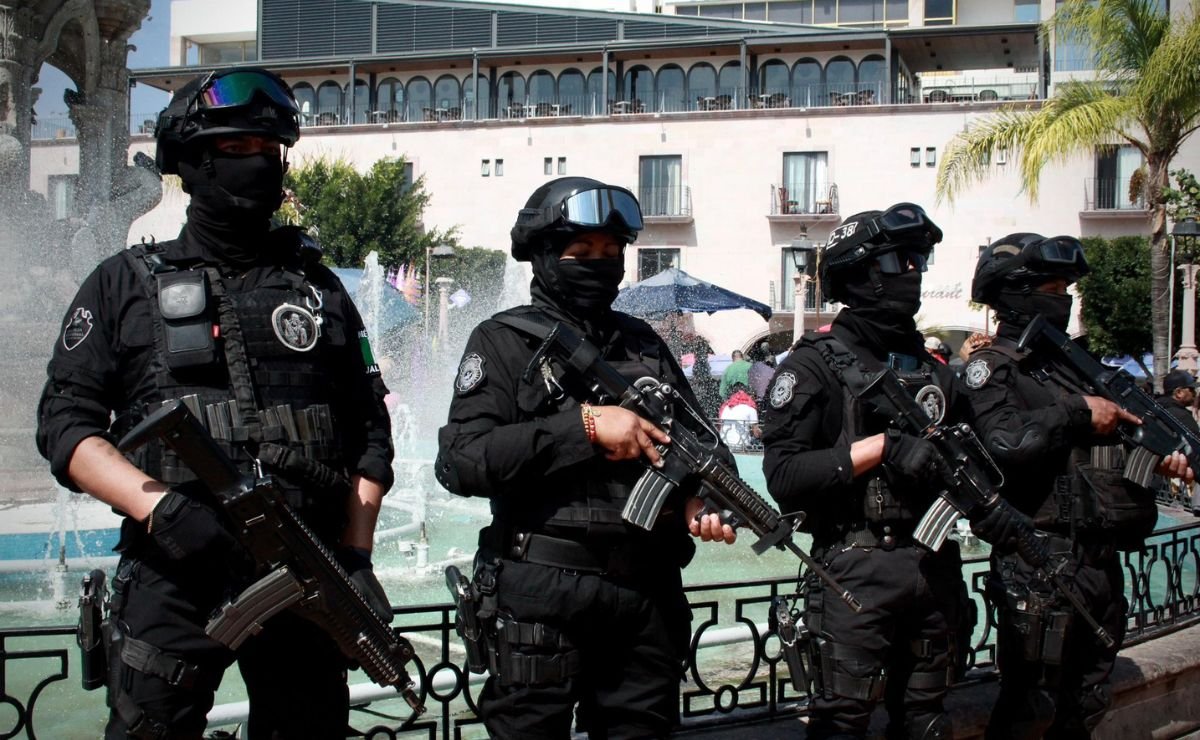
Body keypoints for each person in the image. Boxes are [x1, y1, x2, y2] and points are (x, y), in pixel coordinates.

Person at [36, 68, 395, 739]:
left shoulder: (319, 291)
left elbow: (370, 435)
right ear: (192, 163)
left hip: (304, 565)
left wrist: (354, 555)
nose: (255, 163)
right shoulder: (123, 284)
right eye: (235, 148)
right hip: (174, 569)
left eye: (267, 149)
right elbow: (65, 427)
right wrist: (159, 507)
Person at [436, 176, 736, 739]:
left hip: (645, 595)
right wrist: (586, 427)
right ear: (545, 255)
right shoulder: (503, 341)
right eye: (582, 250)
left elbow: (707, 448)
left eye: (611, 250)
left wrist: (703, 498)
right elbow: (461, 460)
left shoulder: (643, 344)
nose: (600, 263)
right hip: (542, 593)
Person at [963, 232, 1192, 739]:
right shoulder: (993, 368)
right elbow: (1004, 441)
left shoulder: (1075, 369)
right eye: (1051, 288)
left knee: (1087, 699)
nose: (1062, 300)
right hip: (1039, 559)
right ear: (1015, 292)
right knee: (1030, 707)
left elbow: (1094, 457)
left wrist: (1158, 458)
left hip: (1098, 559)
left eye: (1066, 289)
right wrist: (1075, 411)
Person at [760, 203, 975, 739]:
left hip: (933, 565)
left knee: (929, 725)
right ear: (858, 274)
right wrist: (880, 449)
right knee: (841, 726)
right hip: (853, 568)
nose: (913, 271)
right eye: (899, 261)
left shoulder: (930, 367)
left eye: (919, 260)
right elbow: (784, 477)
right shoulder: (814, 364)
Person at [718, 383, 760, 449]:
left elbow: (720, 426)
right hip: (741, 446)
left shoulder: (725, 407)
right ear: (750, 396)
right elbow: (756, 434)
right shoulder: (751, 408)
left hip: (724, 445)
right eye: (755, 397)